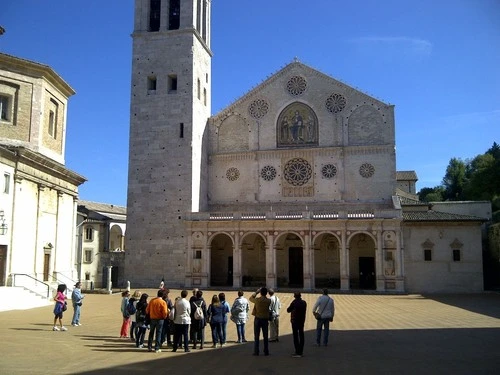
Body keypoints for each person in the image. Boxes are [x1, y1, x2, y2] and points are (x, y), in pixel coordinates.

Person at [249, 287, 271, 356]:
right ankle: (266, 351)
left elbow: (250, 298)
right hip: (265, 319)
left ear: (261, 293)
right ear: (266, 293)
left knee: (256, 336)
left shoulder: (257, 300)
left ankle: (256, 351)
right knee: (265, 336)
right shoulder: (268, 301)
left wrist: (256, 292)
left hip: (258, 319)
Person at [287, 292, 307, 358]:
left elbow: (288, 310)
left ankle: (297, 351)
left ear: (294, 296)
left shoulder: (294, 302)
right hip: (301, 321)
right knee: (301, 335)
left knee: (295, 336)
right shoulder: (304, 302)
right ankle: (301, 351)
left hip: (295, 321)